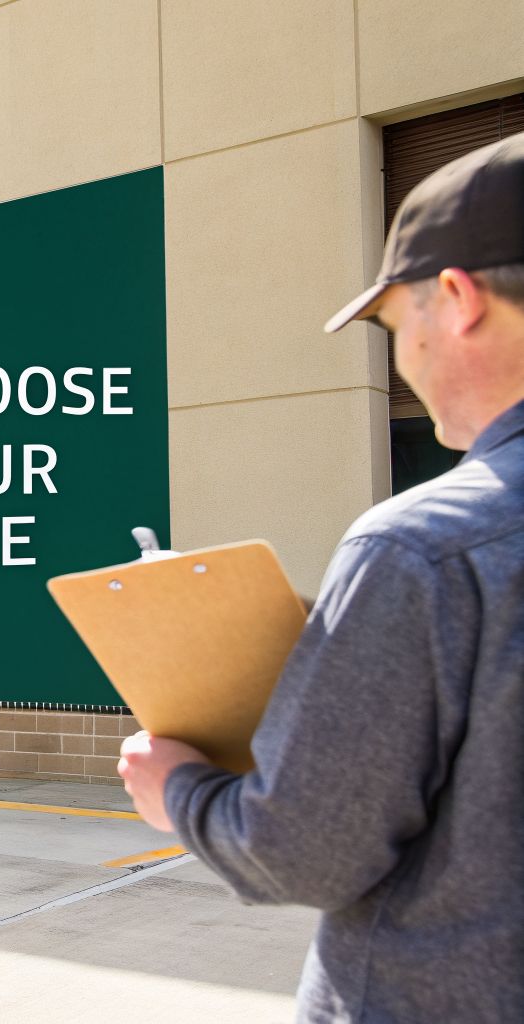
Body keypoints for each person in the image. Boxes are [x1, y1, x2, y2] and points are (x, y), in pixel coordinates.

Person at [117, 134, 524, 1022]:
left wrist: (178, 788)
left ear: (455, 299)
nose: (401, 360)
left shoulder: (422, 549)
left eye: (393, 324)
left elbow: (300, 851)